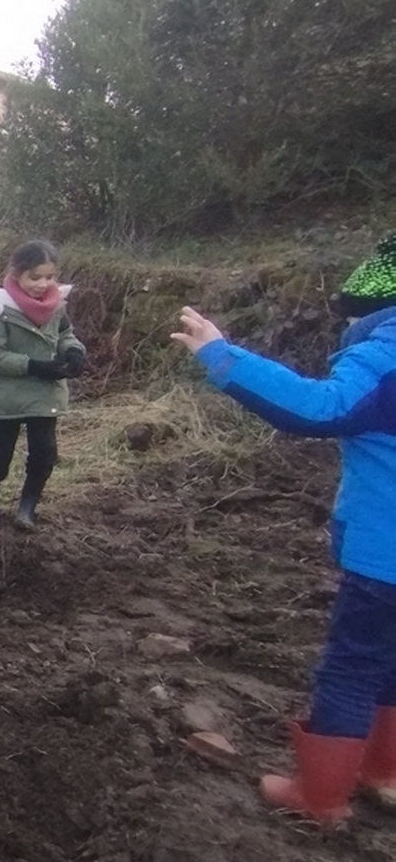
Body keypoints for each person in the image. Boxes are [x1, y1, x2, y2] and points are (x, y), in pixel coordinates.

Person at [171, 236, 396, 824]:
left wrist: (223, 358)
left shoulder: (388, 352)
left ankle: (321, 798)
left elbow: (319, 409)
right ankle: (384, 773)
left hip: (385, 556)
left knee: (353, 666)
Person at [0, 240, 85, 529]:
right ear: (16, 273)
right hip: (7, 397)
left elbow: (65, 334)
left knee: (45, 454)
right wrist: (35, 366)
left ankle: (27, 509)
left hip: (44, 396)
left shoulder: (56, 306)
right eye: (35, 277)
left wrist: (74, 352)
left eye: (49, 277)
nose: (43, 284)